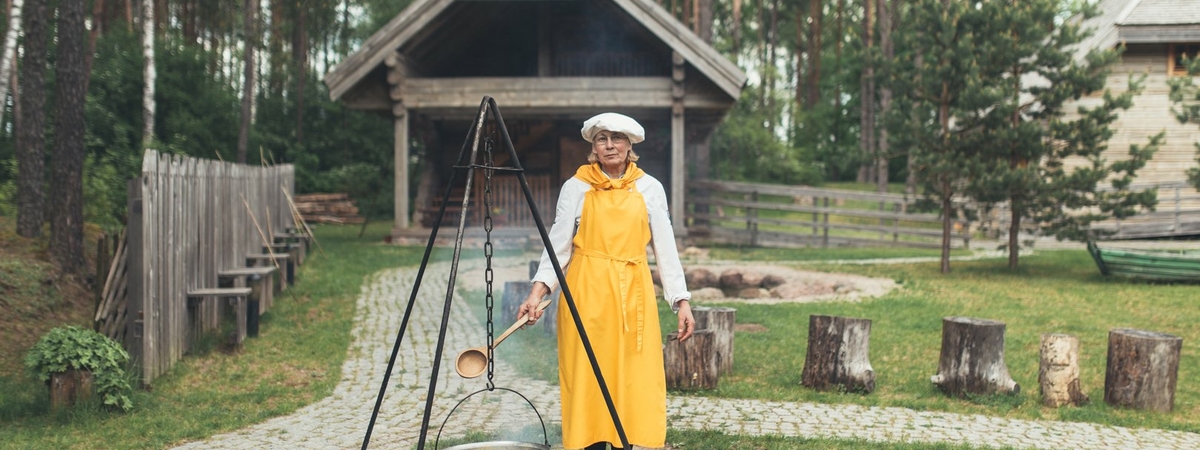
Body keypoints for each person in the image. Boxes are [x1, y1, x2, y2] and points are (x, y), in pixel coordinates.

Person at [518, 112, 695, 450]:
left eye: (617, 138)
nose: (610, 145)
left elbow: (666, 248)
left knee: (635, 375)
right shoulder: (576, 187)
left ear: (630, 146)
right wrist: (537, 293)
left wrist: (681, 301)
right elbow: (557, 247)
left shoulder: (650, 187)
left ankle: (630, 442)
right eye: (602, 139)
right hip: (587, 293)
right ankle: (590, 442)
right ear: (593, 148)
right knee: (587, 371)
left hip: (634, 292)